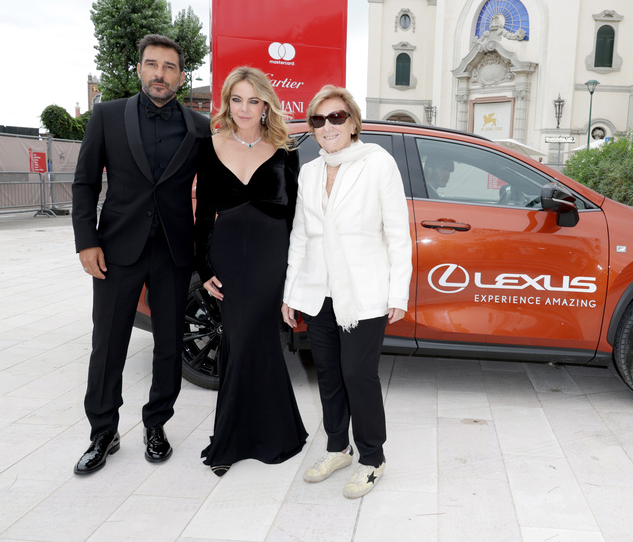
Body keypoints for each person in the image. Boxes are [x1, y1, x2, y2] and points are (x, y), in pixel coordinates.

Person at [71, 34, 211, 475]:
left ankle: (156, 426)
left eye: (169, 67)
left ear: (181, 76)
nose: (159, 73)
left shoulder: (199, 127)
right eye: (152, 64)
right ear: (139, 69)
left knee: (169, 346)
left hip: (173, 253)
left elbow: (206, 201)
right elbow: (84, 183)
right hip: (115, 250)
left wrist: (204, 258)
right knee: (108, 345)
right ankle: (102, 433)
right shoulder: (107, 116)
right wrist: (86, 240)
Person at [281, 85, 412, 499]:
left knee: (359, 374)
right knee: (330, 375)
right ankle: (338, 447)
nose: (327, 126)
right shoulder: (310, 171)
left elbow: (397, 234)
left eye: (336, 117)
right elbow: (300, 235)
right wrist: (290, 292)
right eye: (318, 120)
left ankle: (373, 458)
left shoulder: (378, 163)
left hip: (364, 289)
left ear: (353, 122)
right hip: (319, 290)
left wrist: (398, 292)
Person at [194, 67, 307, 477]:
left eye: (253, 100)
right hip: (227, 255)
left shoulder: (286, 149)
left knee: (256, 341)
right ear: (228, 102)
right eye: (237, 99)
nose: (244, 108)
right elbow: (205, 211)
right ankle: (241, 436)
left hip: (271, 256)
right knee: (238, 341)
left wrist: (295, 272)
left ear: (265, 105)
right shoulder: (210, 145)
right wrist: (203, 266)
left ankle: (267, 434)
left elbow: (297, 217)